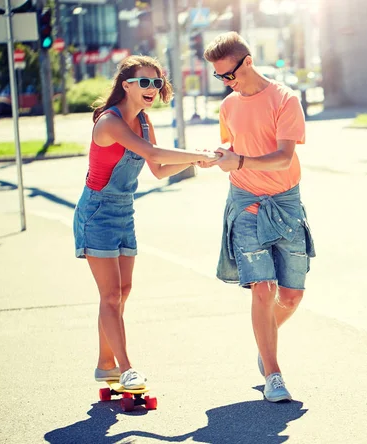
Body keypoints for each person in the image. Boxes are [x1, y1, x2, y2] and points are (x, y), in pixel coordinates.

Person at [73, 55, 219, 389]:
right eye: (144, 82)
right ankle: (126, 369)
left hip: (124, 210)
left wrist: (195, 162)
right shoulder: (109, 123)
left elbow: (159, 169)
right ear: (127, 85)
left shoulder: (143, 122)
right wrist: (199, 154)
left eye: (156, 82)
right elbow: (153, 154)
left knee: (122, 292)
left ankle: (104, 365)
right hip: (96, 213)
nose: (152, 88)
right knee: (110, 295)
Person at [202, 32, 316, 402]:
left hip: (284, 201)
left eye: (228, 75)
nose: (225, 83)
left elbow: (284, 157)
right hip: (246, 201)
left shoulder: (285, 99)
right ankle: (274, 372)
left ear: (247, 62)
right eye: (218, 77)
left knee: (292, 295)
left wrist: (240, 159)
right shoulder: (229, 106)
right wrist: (223, 155)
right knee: (263, 289)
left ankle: (264, 344)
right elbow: (235, 146)